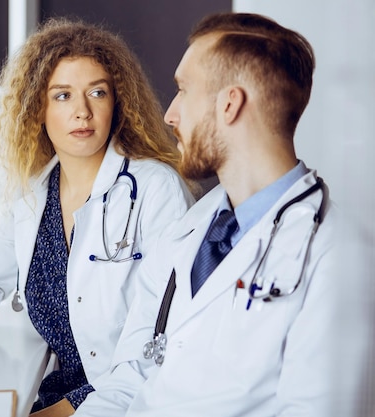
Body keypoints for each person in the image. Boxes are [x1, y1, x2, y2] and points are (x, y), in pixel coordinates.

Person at [73, 12, 372, 417]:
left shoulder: (336, 253)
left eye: (183, 90)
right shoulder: (189, 231)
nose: (170, 114)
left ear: (230, 103)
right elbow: (128, 380)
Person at [0, 17, 195, 417]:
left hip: (127, 399)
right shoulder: (33, 194)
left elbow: (162, 342)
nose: (82, 111)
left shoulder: (154, 189)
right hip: (54, 390)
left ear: (117, 103)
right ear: (37, 108)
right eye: (62, 95)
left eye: (97, 92)